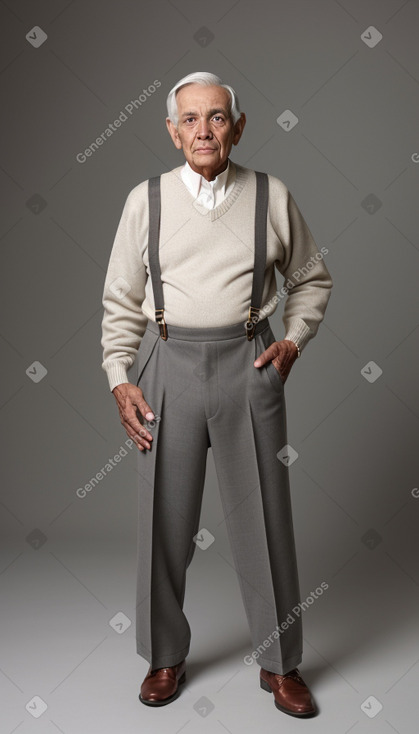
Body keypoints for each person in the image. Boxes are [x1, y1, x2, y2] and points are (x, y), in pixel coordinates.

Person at [101, 71, 333, 718]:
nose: (204, 130)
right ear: (173, 132)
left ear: (238, 125)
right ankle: (163, 655)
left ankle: (280, 663)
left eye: (217, 117)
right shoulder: (144, 200)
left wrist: (292, 340)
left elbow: (311, 279)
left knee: (265, 520)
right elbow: (120, 299)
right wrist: (120, 377)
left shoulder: (269, 195)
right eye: (190, 120)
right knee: (163, 522)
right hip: (167, 363)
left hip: (247, 362)